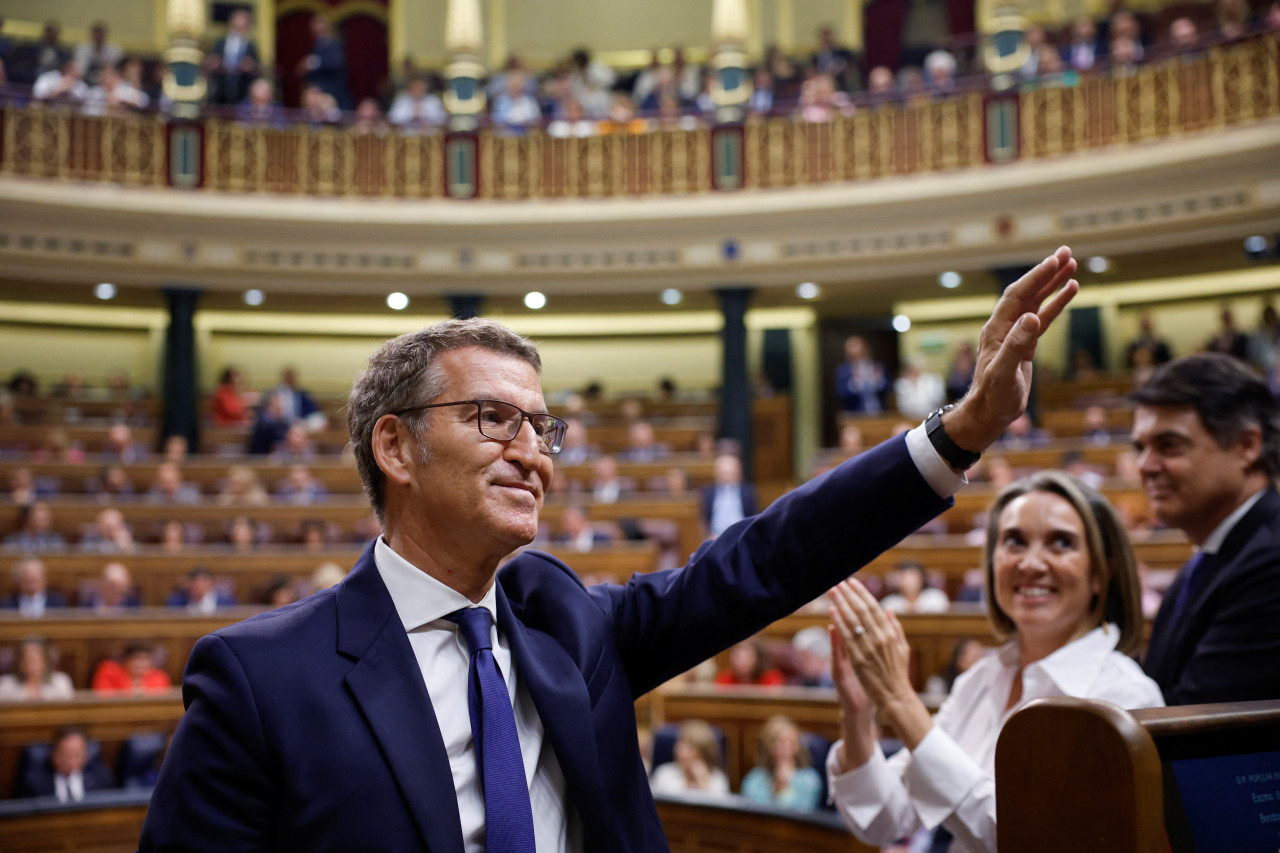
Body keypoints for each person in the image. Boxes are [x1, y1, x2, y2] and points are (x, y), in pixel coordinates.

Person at [140, 248, 1079, 852]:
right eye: (490, 418)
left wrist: (958, 432)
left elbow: (763, 560)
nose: (530, 452)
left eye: (542, 429)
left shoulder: (567, 623)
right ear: (395, 447)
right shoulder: (259, 678)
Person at [826, 470, 1163, 852]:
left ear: (1103, 572)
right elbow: (887, 818)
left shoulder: (1125, 696)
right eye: (1014, 542)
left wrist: (901, 702)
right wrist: (857, 714)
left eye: (1061, 543)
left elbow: (1033, 841)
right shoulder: (982, 679)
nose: (1032, 563)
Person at [1131, 353, 1280, 703]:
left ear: (1247, 445)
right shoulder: (1210, 559)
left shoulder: (1272, 563)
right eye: (1140, 447)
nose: (1144, 466)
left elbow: (1195, 728)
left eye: (1169, 445)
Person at [740, 715, 823, 810]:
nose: (785, 749)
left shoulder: (809, 780)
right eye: (780, 743)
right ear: (768, 747)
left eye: (791, 743)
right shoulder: (754, 780)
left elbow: (802, 817)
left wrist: (784, 789)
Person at [14, 726, 115, 801]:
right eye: (66, 754)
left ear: (86, 756)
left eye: (76, 754)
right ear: (54, 755)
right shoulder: (34, 784)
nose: (71, 761)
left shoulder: (102, 779)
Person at [649, 720, 730, 795]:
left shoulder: (717, 779)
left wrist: (703, 782)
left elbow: (717, 808)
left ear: (703, 753)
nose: (679, 750)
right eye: (680, 743)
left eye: (690, 747)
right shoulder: (664, 774)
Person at [205, 7, 260, 106]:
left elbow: (256, 68)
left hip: (242, 89)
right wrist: (214, 63)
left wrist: (250, 66)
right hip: (220, 88)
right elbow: (210, 62)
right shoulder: (219, 43)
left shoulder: (251, 46)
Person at [701, 452, 758, 537]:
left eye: (729, 473)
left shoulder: (748, 492)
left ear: (737, 473)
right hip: (715, 537)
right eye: (723, 473)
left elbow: (754, 516)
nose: (726, 477)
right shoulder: (707, 492)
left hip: (741, 535)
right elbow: (702, 519)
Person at [0, 637, 76, 701]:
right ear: (19, 663)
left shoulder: (60, 682)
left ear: (45, 662)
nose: (30, 666)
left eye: (34, 661)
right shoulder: (6, 685)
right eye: (26, 661)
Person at [835, 335, 889, 414]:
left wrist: (880, 381)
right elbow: (840, 392)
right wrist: (854, 383)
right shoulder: (844, 370)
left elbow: (888, 388)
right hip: (855, 414)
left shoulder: (877, 367)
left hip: (879, 412)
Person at [92, 641, 173, 693]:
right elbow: (102, 697)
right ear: (126, 660)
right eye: (136, 658)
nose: (141, 664)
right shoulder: (109, 671)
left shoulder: (159, 677)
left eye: (145, 659)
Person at [879, 559, 950, 614]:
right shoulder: (889, 602)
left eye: (913, 575)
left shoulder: (936, 597)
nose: (908, 580)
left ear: (922, 577)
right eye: (903, 576)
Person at [2, 557, 66, 617]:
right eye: (28, 581)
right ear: (18, 581)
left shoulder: (57, 603)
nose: (32, 586)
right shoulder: (8, 604)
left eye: (36, 580)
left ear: (44, 580)